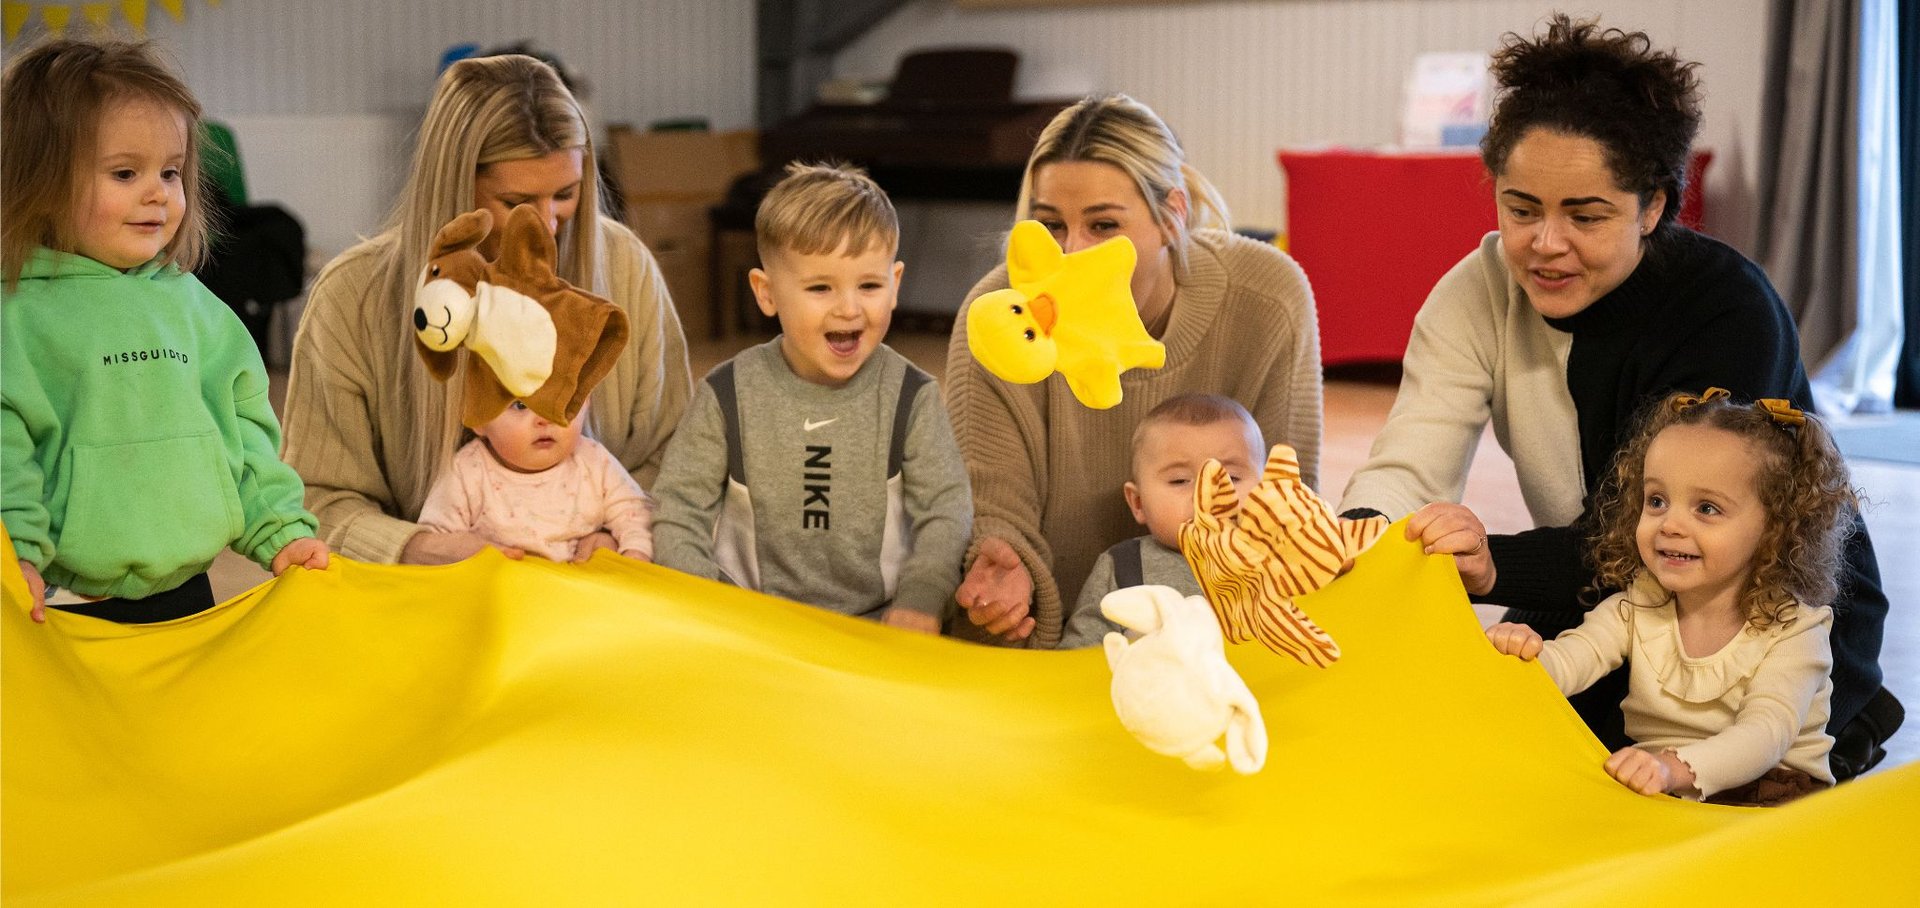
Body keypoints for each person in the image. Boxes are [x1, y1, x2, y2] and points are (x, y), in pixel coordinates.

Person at [1338, 15, 1896, 778]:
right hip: (1621, 599)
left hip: (1755, 620)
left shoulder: (1727, 309)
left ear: (1654, 208)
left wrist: (1493, 568)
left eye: (1586, 215)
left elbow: (1661, 530)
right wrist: (1359, 538)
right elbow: (1409, 464)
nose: (1544, 243)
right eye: (1521, 207)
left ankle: (1856, 720)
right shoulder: (1474, 293)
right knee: (1475, 732)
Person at [282, 54, 691, 566]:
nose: (545, 224)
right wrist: (420, 547)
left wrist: (622, 533)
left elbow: (678, 456)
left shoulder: (626, 267)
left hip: (596, 595)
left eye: (565, 195)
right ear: (455, 187)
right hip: (428, 598)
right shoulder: (351, 297)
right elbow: (316, 499)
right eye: (516, 201)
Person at [946, 95, 1323, 648]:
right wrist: (1003, 565)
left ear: (1172, 215)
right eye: (1050, 225)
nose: (1073, 253)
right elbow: (995, 504)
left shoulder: (1269, 298)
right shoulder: (1001, 318)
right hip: (1054, 652)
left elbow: (1287, 499)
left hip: (1225, 640)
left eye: (1102, 224)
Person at [1, 38, 329, 624]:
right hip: (57, 604)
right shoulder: (18, 315)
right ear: (39, 180)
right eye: (125, 173)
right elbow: (6, 447)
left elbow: (246, 436)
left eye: (172, 172)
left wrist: (280, 528)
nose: (158, 193)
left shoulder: (201, 310)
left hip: (188, 594)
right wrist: (15, 553)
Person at [1487, 389, 1853, 806]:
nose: (1670, 524)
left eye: (1707, 509)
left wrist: (1673, 768)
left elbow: (1764, 735)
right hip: (1661, 790)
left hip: (1765, 795)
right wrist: (1524, 659)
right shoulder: (1639, 605)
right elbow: (1574, 659)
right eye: (1657, 500)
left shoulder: (1793, 630)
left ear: (1776, 530)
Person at [650, 163, 972, 633]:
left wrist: (922, 597)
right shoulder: (725, 394)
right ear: (767, 293)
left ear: (895, 284)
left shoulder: (913, 396)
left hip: (880, 626)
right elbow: (677, 511)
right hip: (747, 622)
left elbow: (947, 510)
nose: (848, 308)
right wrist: (704, 603)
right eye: (820, 287)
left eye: (869, 285)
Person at [1059, 394, 1264, 649]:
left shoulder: (1281, 557)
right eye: (1180, 480)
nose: (1207, 495)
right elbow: (1076, 661)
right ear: (1138, 503)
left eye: (1231, 478)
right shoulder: (1122, 567)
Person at [416, 398, 652, 563]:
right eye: (520, 405)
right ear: (478, 416)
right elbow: (435, 542)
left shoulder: (594, 461)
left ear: (586, 402)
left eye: (561, 401)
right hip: (503, 596)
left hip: (581, 594)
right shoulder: (467, 471)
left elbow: (635, 513)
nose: (544, 418)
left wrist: (634, 554)